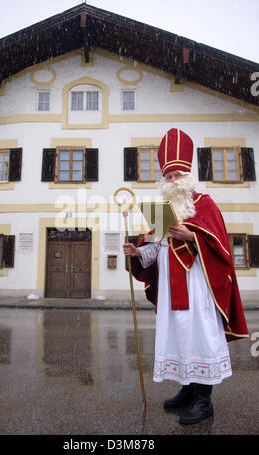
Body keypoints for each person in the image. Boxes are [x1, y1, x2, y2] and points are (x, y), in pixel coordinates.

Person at [123, 128, 249, 425]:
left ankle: (204, 400)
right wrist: (138, 253)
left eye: (177, 174)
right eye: (168, 176)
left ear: (188, 175)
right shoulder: (162, 210)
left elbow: (220, 249)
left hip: (199, 288)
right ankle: (188, 389)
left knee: (199, 336)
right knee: (179, 336)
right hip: (170, 289)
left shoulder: (205, 204)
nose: (172, 180)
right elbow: (156, 250)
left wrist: (192, 235)